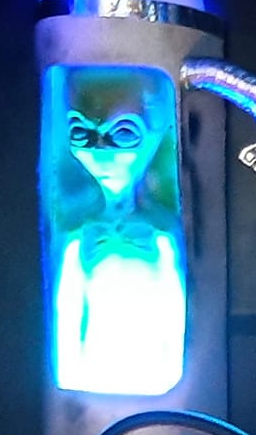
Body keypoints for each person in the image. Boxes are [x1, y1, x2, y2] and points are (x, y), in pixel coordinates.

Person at [51, 67, 186, 395]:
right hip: (92, 377)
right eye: (80, 133)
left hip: (152, 377)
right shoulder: (77, 240)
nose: (100, 152)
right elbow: (66, 316)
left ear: (157, 131)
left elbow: (175, 318)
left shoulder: (163, 237)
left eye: (124, 134)